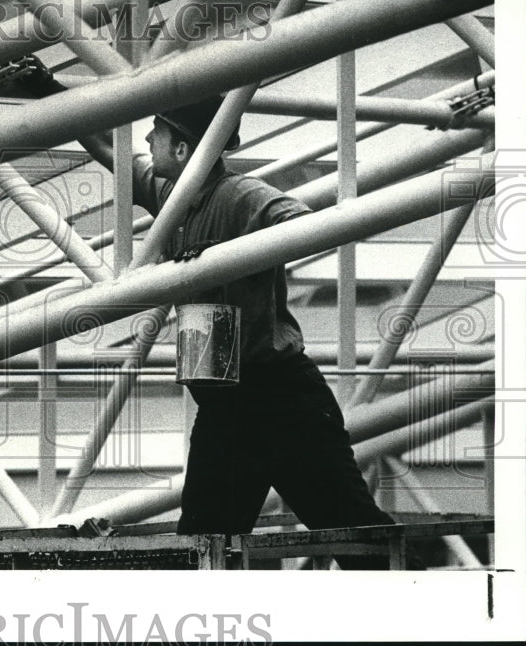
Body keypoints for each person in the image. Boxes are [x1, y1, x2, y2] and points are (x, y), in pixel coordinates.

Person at [61, 85, 418, 570]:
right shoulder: (172, 199)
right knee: (206, 544)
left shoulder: (238, 195)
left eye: (158, 132)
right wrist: (46, 89)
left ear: (184, 148)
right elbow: (107, 147)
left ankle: (430, 616)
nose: (146, 138)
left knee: (349, 530)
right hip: (224, 405)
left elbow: (305, 223)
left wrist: (219, 258)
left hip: (281, 400)